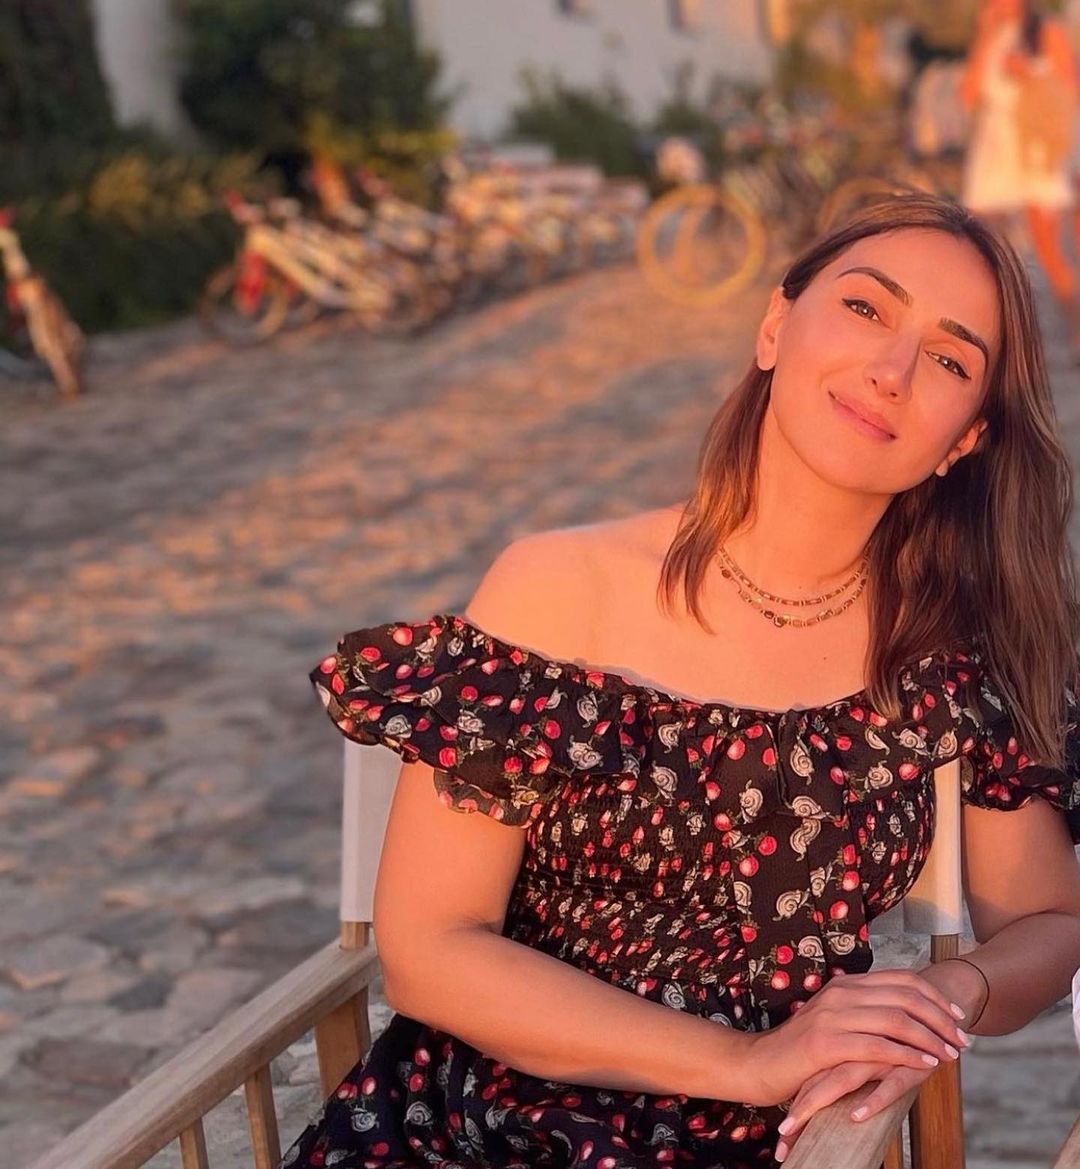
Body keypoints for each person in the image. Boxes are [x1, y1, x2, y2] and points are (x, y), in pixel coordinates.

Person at [282, 194, 1080, 1168]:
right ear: (776, 325)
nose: (892, 369)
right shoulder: (556, 589)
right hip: (473, 1124)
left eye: (950, 359)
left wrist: (950, 991)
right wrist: (747, 1060)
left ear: (967, 437)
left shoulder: (949, 655)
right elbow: (432, 949)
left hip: (750, 1145)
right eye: (866, 307)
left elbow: (1048, 919)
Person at [961, 0, 1080, 346]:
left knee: (1049, 251)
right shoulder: (991, 36)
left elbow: (1071, 95)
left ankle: (1076, 332)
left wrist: (1031, 74)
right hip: (995, 152)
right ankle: (992, 338)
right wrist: (984, 36)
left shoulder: (1047, 32)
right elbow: (969, 96)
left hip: (1035, 149)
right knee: (980, 247)